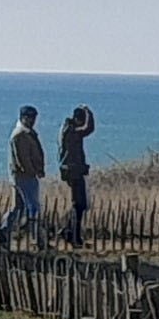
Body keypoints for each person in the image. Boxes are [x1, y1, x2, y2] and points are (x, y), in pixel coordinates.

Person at [0, 107, 47, 251]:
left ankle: (4, 232)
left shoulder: (26, 133)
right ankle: (36, 239)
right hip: (24, 177)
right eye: (30, 118)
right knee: (33, 207)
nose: (33, 121)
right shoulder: (19, 135)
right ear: (23, 117)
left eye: (34, 118)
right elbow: (22, 159)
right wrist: (33, 171)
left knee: (17, 207)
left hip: (24, 176)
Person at [57, 106, 97, 247]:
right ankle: (73, 236)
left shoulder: (67, 128)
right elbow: (88, 129)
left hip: (72, 170)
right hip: (73, 171)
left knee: (79, 205)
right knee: (79, 205)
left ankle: (69, 232)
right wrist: (89, 113)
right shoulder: (71, 131)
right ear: (77, 120)